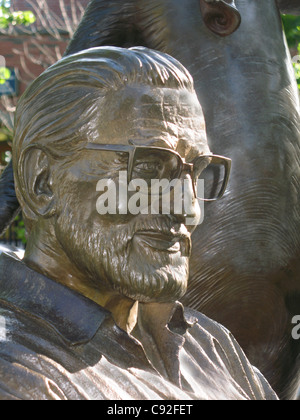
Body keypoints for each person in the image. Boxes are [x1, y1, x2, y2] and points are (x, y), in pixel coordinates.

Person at [0, 46, 278, 400]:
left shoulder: (207, 343)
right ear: (42, 181)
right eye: (147, 168)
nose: (189, 209)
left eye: (198, 173)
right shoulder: (15, 372)